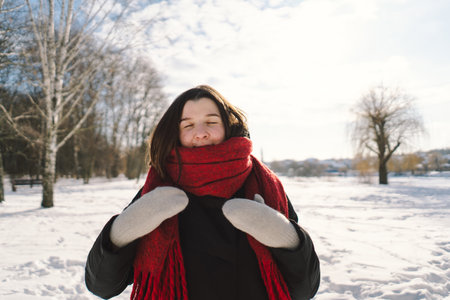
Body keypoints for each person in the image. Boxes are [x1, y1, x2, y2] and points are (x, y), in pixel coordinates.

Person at [85, 85, 320, 300]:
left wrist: (285, 238)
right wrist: (121, 232)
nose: (200, 133)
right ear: (175, 133)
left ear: (229, 126)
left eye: (211, 122)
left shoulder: (265, 186)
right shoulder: (155, 194)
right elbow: (101, 286)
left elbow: (304, 290)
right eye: (188, 125)